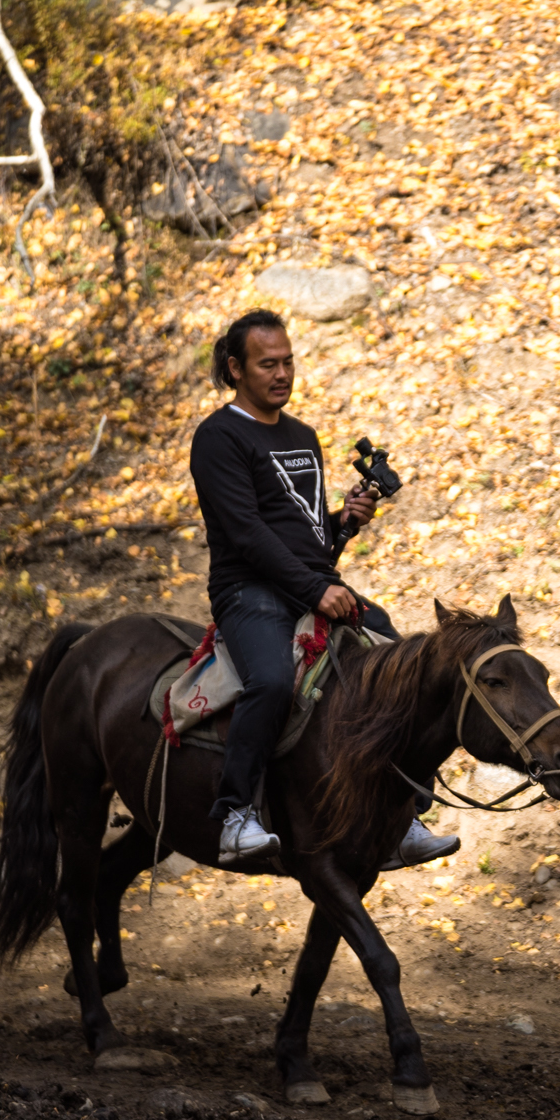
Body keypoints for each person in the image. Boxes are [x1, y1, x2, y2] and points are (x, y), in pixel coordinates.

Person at [190, 309, 459, 869]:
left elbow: (306, 536)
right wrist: (315, 589)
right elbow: (248, 534)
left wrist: (344, 521)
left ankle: (400, 815)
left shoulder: (301, 435)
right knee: (268, 681)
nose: (282, 373)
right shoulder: (218, 437)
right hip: (249, 591)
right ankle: (236, 815)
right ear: (236, 368)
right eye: (268, 364)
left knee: (400, 663)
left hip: (307, 581)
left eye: (288, 361)